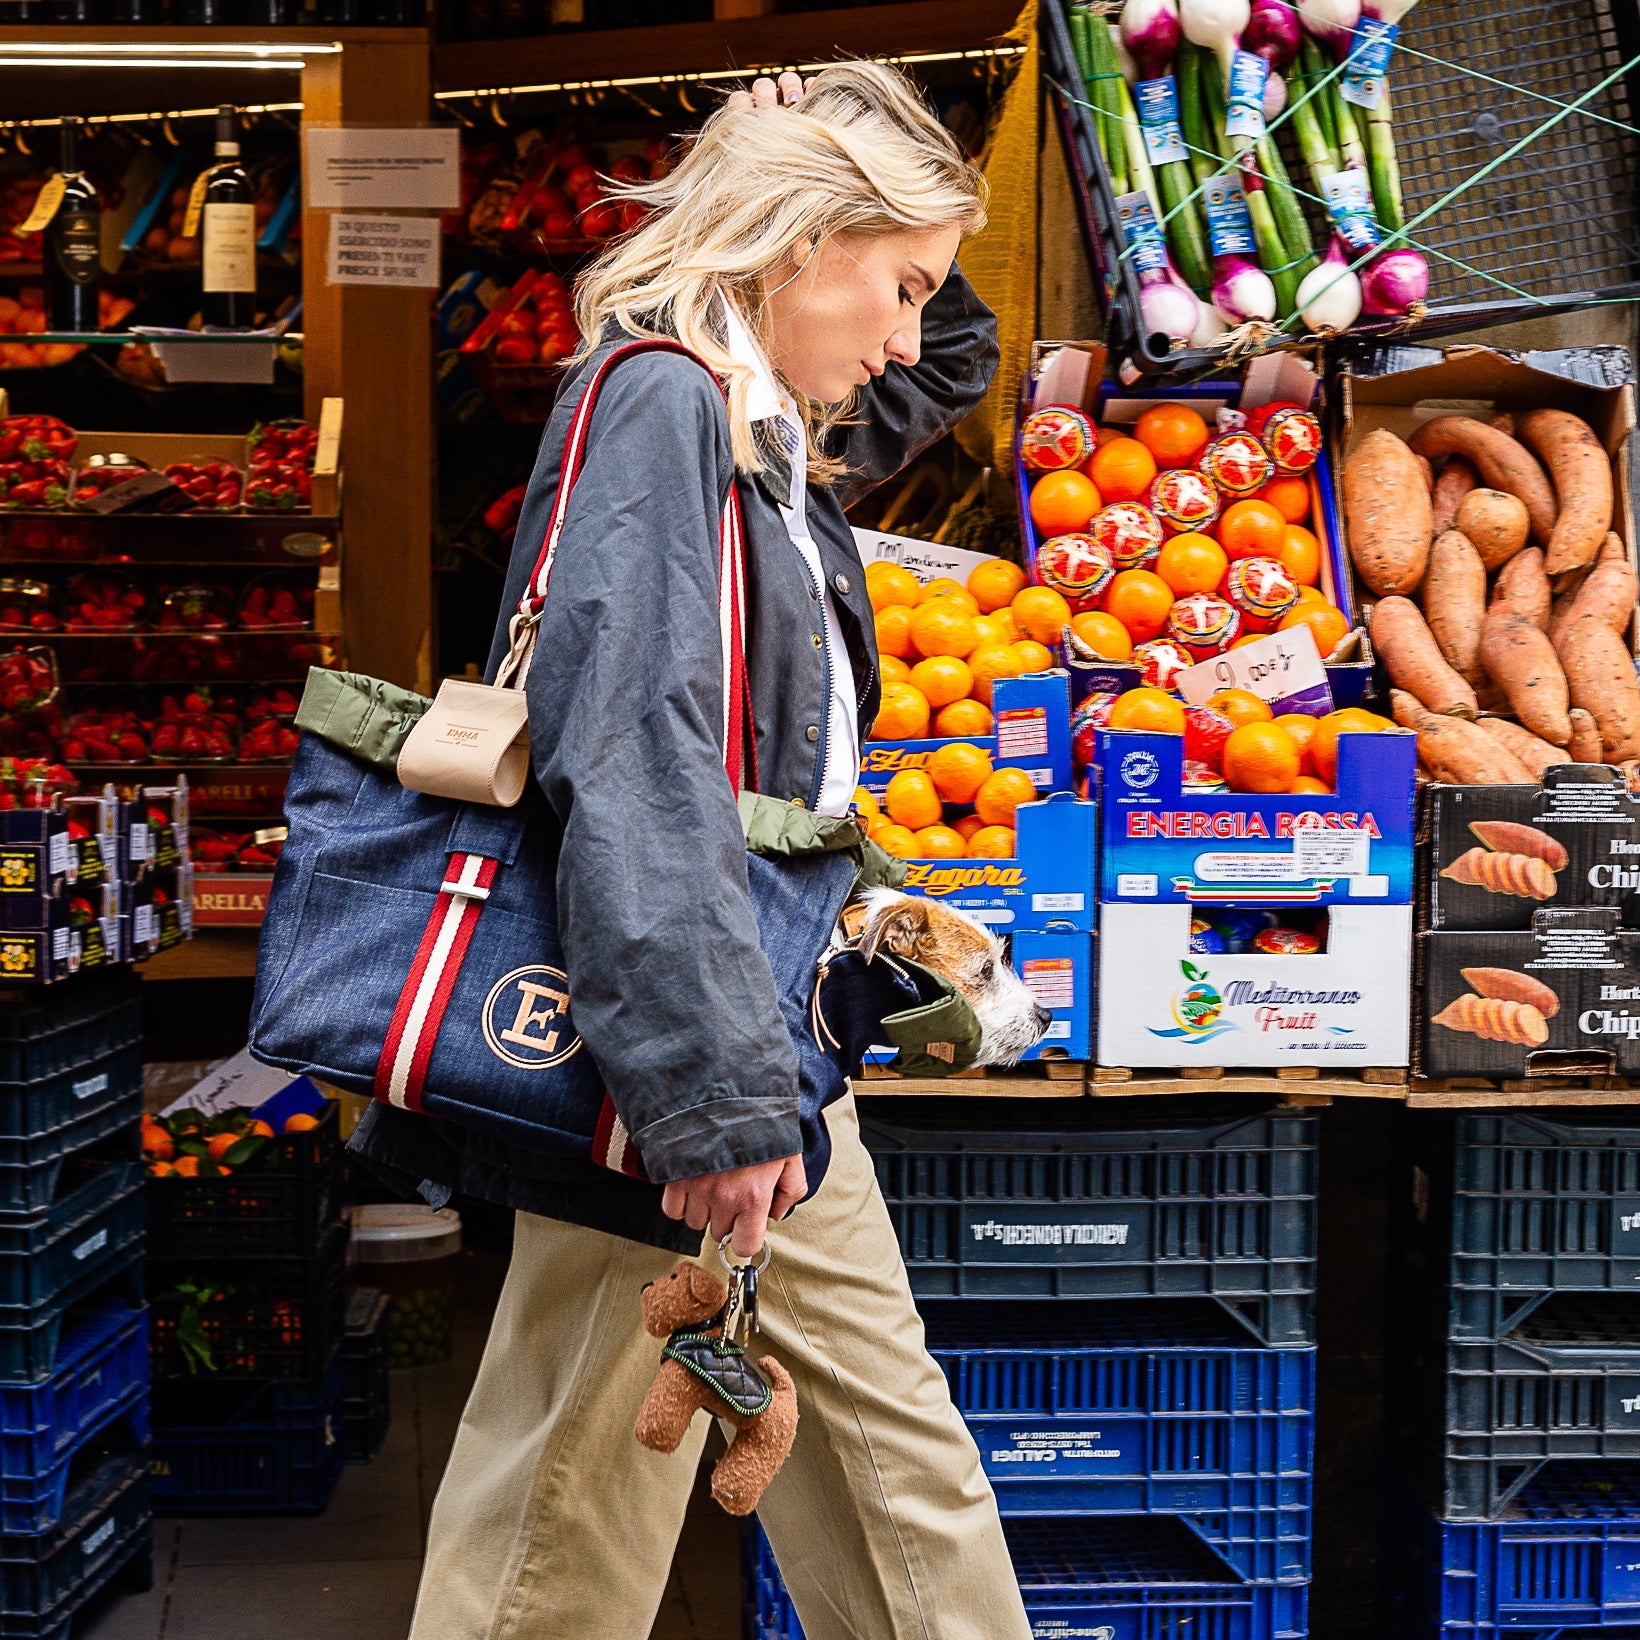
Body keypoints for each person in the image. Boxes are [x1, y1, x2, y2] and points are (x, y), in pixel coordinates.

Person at [360, 62, 1032, 1639]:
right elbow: (634, 755)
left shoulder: (763, 419)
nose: (906, 336)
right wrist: (707, 1101)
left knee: (897, 1472)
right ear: (801, 241)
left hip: (761, 1022)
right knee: (563, 1523)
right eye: (897, 282)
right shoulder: (667, 404)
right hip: (676, 1046)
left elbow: (945, 357)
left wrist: (823, 142)